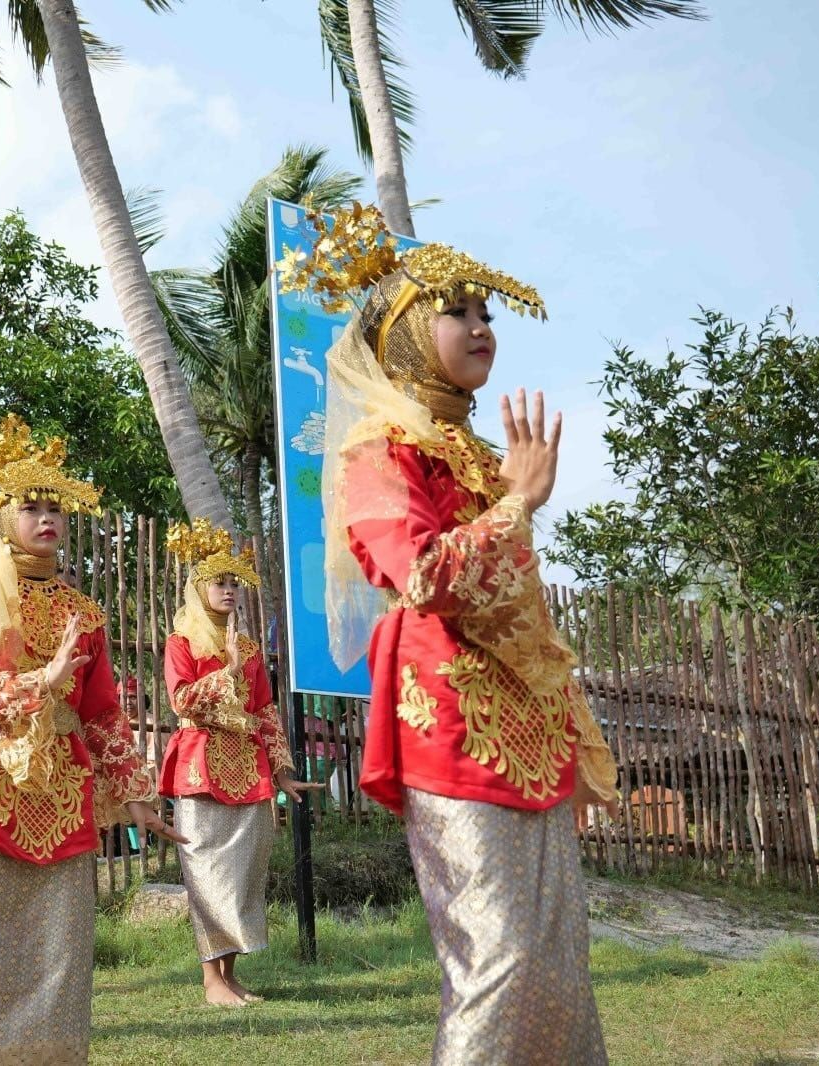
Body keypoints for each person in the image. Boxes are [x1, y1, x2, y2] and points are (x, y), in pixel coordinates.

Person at [292, 205, 620, 1064]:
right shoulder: (377, 448)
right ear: (403, 334)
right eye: (457, 311)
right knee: (498, 959)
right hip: (449, 717)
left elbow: (522, 610)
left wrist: (569, 728)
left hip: (525, 727)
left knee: (556, 963)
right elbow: (424, 576)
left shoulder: (478, 454)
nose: (480, 327)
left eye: (487, 314)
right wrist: (517, 503)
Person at [0, 414, 187, 1065]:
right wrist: (40, 682)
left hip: (67, 790)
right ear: (2, 517)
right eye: (32, 508)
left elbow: (102, 711)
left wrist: (134, 794)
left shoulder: (85, 613)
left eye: (56, 509)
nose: (48, 519)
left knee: (61, 948)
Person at [158, 520, 324, 1006]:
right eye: (219, 582)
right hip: (200, 768)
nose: (229, 590)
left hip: (250, 772)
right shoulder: (181, 643)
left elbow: (265, 711)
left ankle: (229, 977)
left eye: (234, 583)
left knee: (242, 874)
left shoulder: (250, 649)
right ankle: (211, 982)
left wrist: (284, 771)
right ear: (198, 588)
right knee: (207, 872)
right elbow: (182, 701)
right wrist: (227, 670)